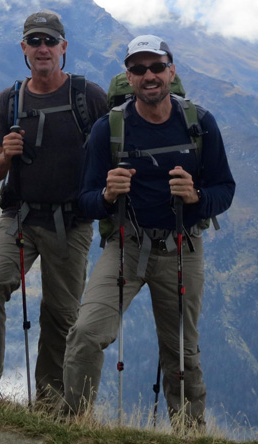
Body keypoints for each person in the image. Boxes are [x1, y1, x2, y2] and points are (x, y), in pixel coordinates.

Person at [63, 35, 235, 427]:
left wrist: (196, 198)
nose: (149, 75)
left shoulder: (199, 123)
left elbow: (225, 189)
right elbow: (84, 200)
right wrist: (107, 195)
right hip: (126, 245)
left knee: (182, 354)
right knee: (87, 333)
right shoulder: (110, 129)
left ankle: (189, 433)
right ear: (129, 76)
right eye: (139, 69)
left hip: (183, 248)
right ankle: (74, 427)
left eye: (157, 67)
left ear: (171, 71)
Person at [0, 11, 108, 403]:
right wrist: (7, 159)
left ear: (63, 48)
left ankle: (50, 404)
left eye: (50, 41)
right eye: (34, 41)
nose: (42, 48)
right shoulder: (10, 100)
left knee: (61, 316)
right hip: (20, 216)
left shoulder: (88, 97)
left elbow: (114, 156)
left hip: (72, 221)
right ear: (24, 50)